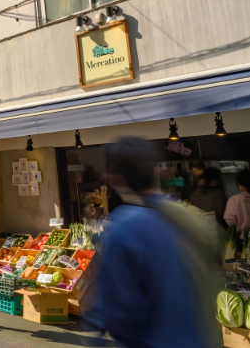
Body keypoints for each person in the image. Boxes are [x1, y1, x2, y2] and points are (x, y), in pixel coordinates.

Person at [88, 137, 220, 348]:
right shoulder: (189, 218)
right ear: (156, 172)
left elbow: (120, 315)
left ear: (115, 178)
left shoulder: (123, 230)